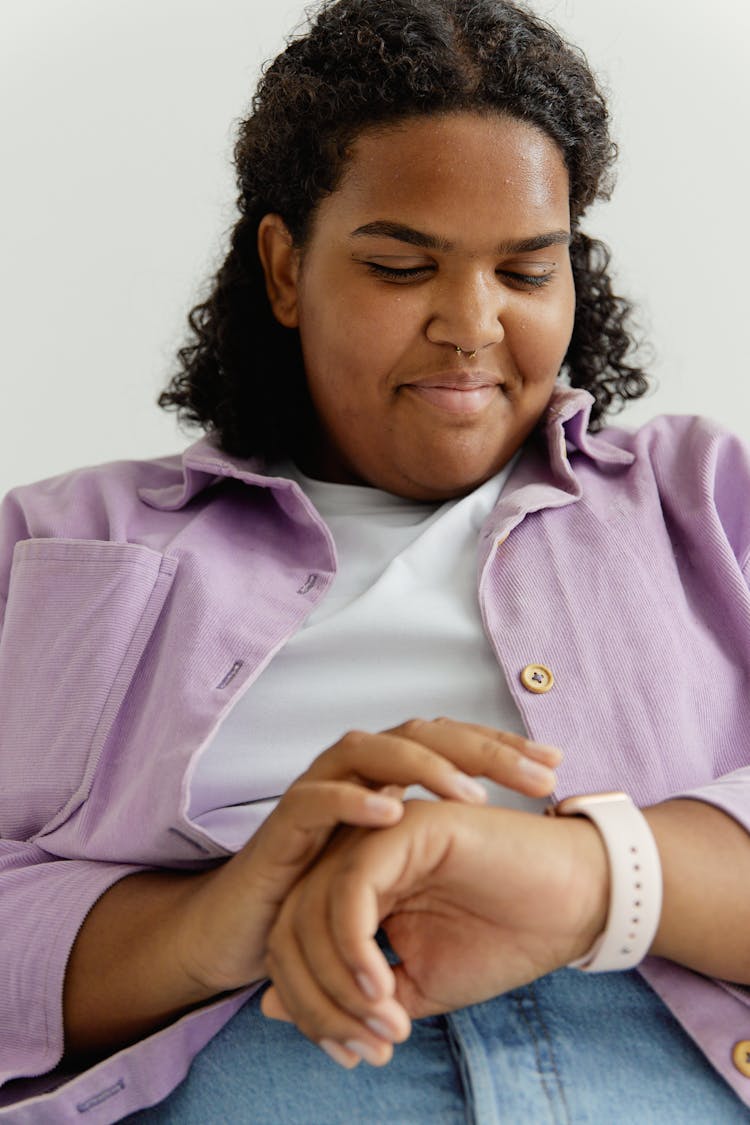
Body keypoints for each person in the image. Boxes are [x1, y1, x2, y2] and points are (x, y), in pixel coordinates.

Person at [1, 0, 750, 1121]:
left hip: (659, 1035)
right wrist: (212, 922)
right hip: (264, 1042)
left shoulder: (707, 495)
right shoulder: (61, 547)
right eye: (403, 266)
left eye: (528, 272)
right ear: (286, 268)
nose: (471, 321)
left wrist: (593, 875)